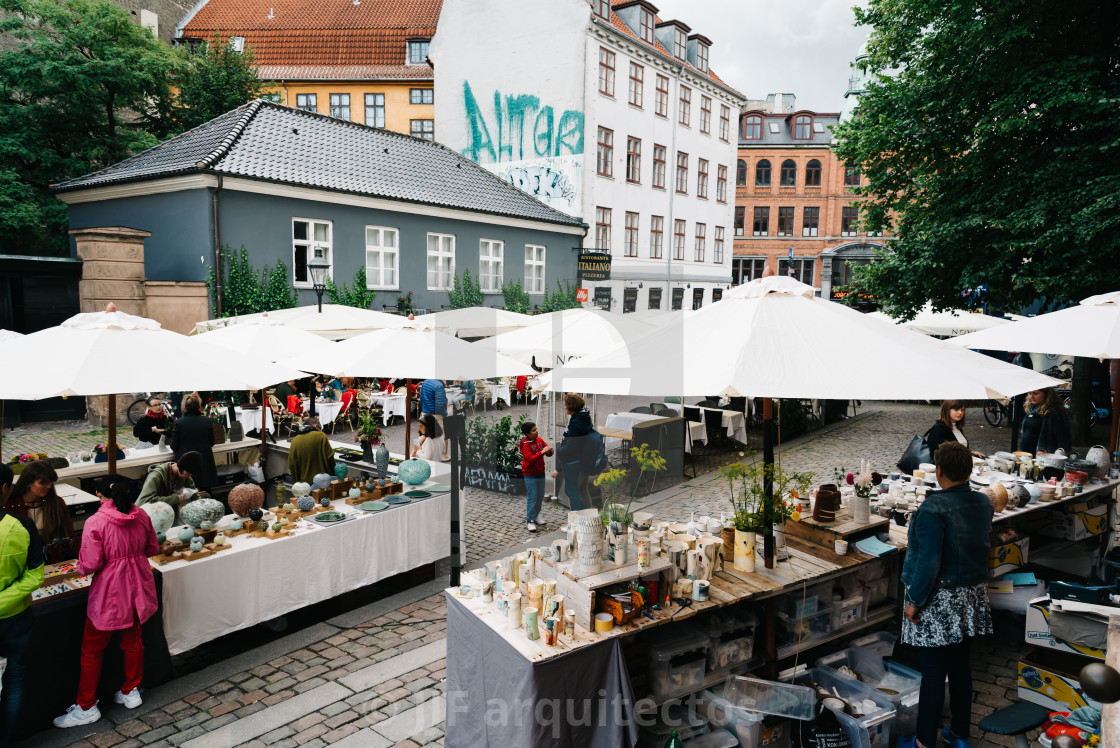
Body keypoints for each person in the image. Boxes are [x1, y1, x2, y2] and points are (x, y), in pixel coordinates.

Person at [898, 441, 993, 748]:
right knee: (961, 667)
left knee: (934, 674)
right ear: (967, 471)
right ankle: (960, 734)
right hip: (972, 595)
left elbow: (928, 562)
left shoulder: (932, 509)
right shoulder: (983, 502)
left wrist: (913, 601)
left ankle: (924, 742)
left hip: (940, 599)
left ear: (938, 471)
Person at [53, 474, 158, 729]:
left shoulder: (95, 521)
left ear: (100, 495)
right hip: (138, 587)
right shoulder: (141, 515)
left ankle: (87, 705)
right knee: (133, 642)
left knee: (92, 648)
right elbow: (152, 548)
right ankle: (131, 690)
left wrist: (78, 565)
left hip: (110, 591)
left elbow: (90, 564)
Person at [0, 463, 45, 745]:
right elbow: (35, 575)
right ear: (6, 489)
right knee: (14, 681)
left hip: (15, 618)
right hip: (15, 617)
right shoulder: (20, 525)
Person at [5, 461, 75, 562]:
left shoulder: (57, 503)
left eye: (50, 482)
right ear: (28, 482)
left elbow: (70, 534)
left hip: (52, 561)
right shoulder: (10, 504)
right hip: (21, 561)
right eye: (43, 483)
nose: (49, 486)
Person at [551, 393, 595, 510]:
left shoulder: (576, 423)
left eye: (565, 404)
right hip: (584, 461)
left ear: (571, 406)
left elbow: (572, 446)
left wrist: (560, 451)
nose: (564, 407)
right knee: (582, 490)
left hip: (576, 463)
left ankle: (577, 521)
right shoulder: (582, 418)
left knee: (571, 491)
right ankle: (588, 517)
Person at [170, 394, 217, 491]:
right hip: (203, 460)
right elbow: (212, 442)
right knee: (206, 492)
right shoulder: (207, 421)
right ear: (199, 406)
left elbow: (174, 446)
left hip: (186, 461)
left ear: (184, 406)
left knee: (186, 492)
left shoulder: (179, 423)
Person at [135, 452, 200, 515]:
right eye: (188, 473)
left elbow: (193, 493)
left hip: (164, 513)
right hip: (145, 515)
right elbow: (145, 500)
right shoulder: (155, 476)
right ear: (181, 467)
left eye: (191, 474)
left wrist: (202, 504)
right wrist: (176, 498)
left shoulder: (185, 475)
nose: (189, 476)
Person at [519, 421, 553, 533]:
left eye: (536, 428)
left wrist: (550, 451)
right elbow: (530, 459)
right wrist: (542, 452)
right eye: (533, 430)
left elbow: (547, 453)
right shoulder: (525, 445)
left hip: (540, 473)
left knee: (539, 496)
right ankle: (530, 520)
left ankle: (537, 515)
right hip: (530, 474)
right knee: (532, 497)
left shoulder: (539, 440)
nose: (536, 431)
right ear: (527, 434)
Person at [1021, 388, 1072, 456]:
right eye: (1029, 393)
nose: (1031, 396)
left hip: (1044, 455)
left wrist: (1045, 451)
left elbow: (1062, 437)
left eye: (1035, 393)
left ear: (1046, 394)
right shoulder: (1032, 408)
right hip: (1028, 455)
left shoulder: (1054, 412)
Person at [287, 417, 334, 484]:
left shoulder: (295, 440)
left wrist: (296, 482)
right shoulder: (321, 436)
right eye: (319, 429)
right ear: (316, 426)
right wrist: (334, 475)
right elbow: (330, 458)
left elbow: (291, 464)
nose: (319, 431)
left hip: (304, 484)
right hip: (322, 482)